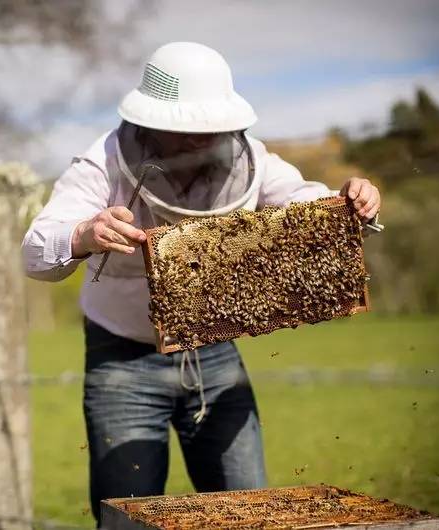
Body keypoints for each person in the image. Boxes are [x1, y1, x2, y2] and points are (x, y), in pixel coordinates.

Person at [21, 41, 381, 526]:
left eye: (208, 129)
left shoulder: (251, 159)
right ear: (150, 122)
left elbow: (304, 203)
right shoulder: (101, 162)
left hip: (214, 352)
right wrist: (84, 233)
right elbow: (35, 251)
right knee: (127, 515)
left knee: (247, 511)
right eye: (185, 130)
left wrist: (351, 204)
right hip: (122, 360)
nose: (199, 140)